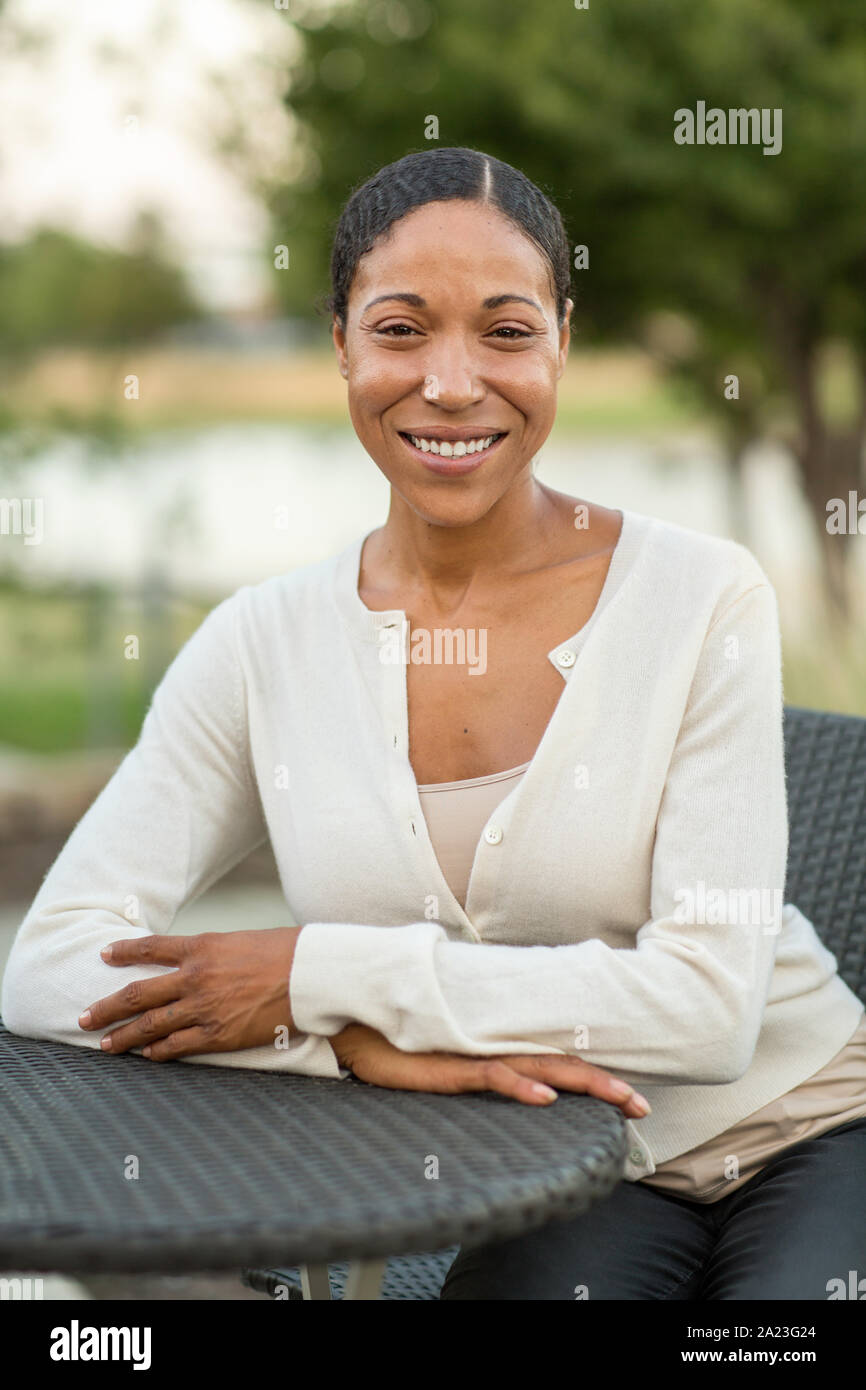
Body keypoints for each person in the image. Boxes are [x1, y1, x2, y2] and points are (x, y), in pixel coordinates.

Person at [3, 146, 865, 1300]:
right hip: (562, 1165)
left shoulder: (703, 597)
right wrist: (346, 1043)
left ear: (561, 335)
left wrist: (317, 972)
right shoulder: (262, 644)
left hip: (804, 1124)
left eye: (506, 331)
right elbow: (53, 965)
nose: (452, 383)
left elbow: (707, 1012)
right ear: (341, 346)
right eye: (401, 329)